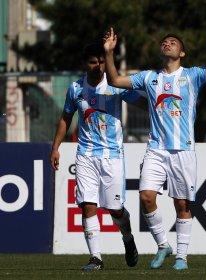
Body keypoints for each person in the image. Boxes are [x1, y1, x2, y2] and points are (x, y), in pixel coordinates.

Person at [102, 15, 206, 270]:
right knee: (146, 197)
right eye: (164, 41)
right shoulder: (149, 77)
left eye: (173, 42)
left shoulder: (193, 75)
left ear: (182, 52)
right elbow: (116, 81)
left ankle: (182, 257)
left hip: (183, 150)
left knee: (182, 204)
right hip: (156, 149)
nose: (167, 43)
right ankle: (163, 245)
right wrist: (109, 53)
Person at [50, 43, 147, 270]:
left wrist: (158, 108)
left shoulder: (115, 85)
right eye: (93, 62)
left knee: (115, 210)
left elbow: (142, 103)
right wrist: (56, 147)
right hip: (85, 154)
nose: (98, 66)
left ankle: (128, 238)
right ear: (86, 63)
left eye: (101, 62)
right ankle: (96, 258)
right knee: (87, 205)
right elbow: (66, 118)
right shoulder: (76, 89)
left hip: (112, 155)